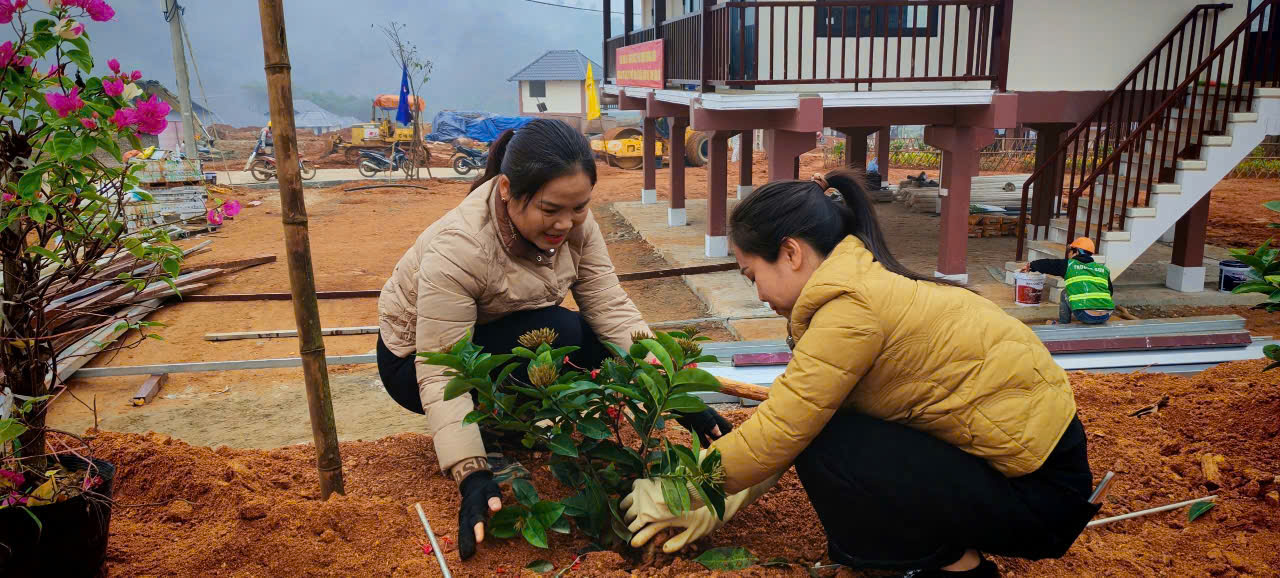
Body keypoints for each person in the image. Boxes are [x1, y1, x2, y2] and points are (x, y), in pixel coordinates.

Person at [620, 169, 1099, 577]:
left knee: (834, 447)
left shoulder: (852, 310)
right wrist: (722, 502)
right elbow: (798, 422)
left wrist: (679, 489)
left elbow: (786, 430)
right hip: (1033, 479)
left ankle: (953, 565)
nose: (757, 293)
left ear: (790, 253)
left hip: (1041, 500)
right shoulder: (859, 289)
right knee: (831, 436)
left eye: (751, 274)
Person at [376, 118, 731, 561]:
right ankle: (488, 432)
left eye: (579, 206)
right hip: (414, 363)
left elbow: (610, 305)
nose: (566, 223)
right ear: (507, 189)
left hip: (501, 331)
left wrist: (676, 395)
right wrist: (471, 473)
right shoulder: (460, 249)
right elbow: (441, 366)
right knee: (563, 333)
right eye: (550, 210)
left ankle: (508, 421)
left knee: (589, 337)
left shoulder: (576, 222)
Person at [1021, 237, 1114, 325]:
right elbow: (1110, 292)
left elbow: (1048, 264)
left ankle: (1063, 323)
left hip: (1086, 315)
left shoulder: (1069, 265)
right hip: (1106, 315)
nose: (1068, 254)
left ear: (1076, 251)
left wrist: (1031, 266)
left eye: (1070, 251)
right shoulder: (1103, 269)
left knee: (1065, 293)